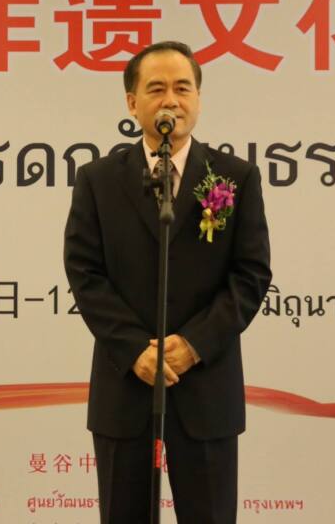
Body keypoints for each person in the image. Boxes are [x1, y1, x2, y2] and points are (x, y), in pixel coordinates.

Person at [63, 40, 272, 523]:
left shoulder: (235, 177)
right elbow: (84, 271)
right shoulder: (98, 180)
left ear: (198, 98)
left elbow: (251, 274)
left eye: (182, 88)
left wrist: (193, 345)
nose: (170, 101)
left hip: (206, 387)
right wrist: (135, 348)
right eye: (156, 89)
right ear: (132, 102)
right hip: (125, 386)